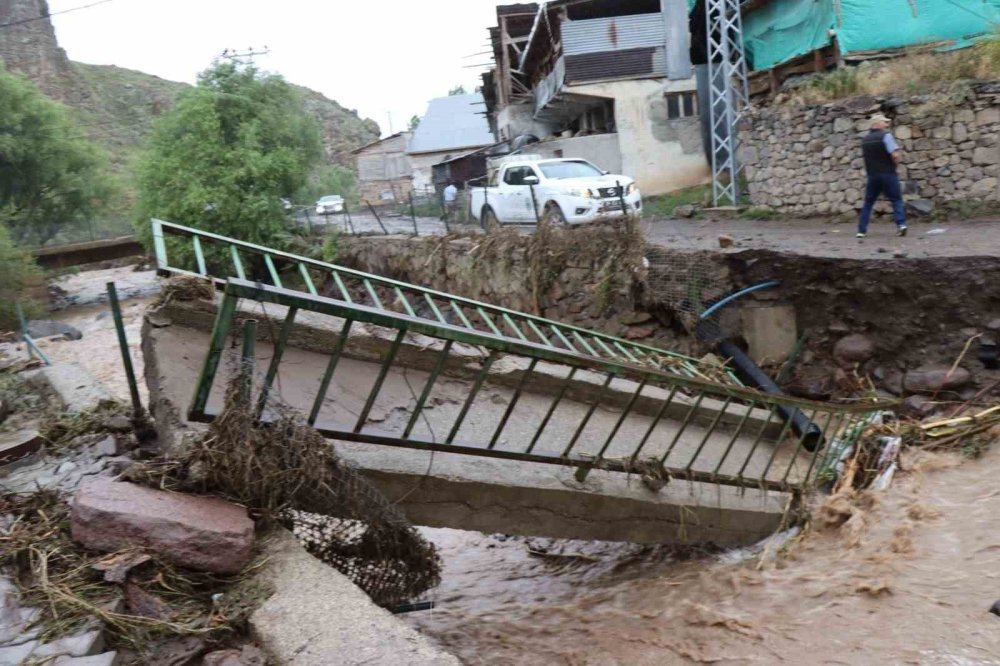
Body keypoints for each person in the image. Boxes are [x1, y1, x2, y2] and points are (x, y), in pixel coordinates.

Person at [857, 113, 907, 239]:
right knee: (896, 200)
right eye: (884, 122)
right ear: (877, 124)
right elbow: (895, 155)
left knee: (868, 203)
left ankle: (861, 231)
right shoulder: (886, 136)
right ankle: (901, 225)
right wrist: (895, 165)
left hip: (873, 175)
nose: (886, 124)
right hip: (888, 173)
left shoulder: (865, 140)